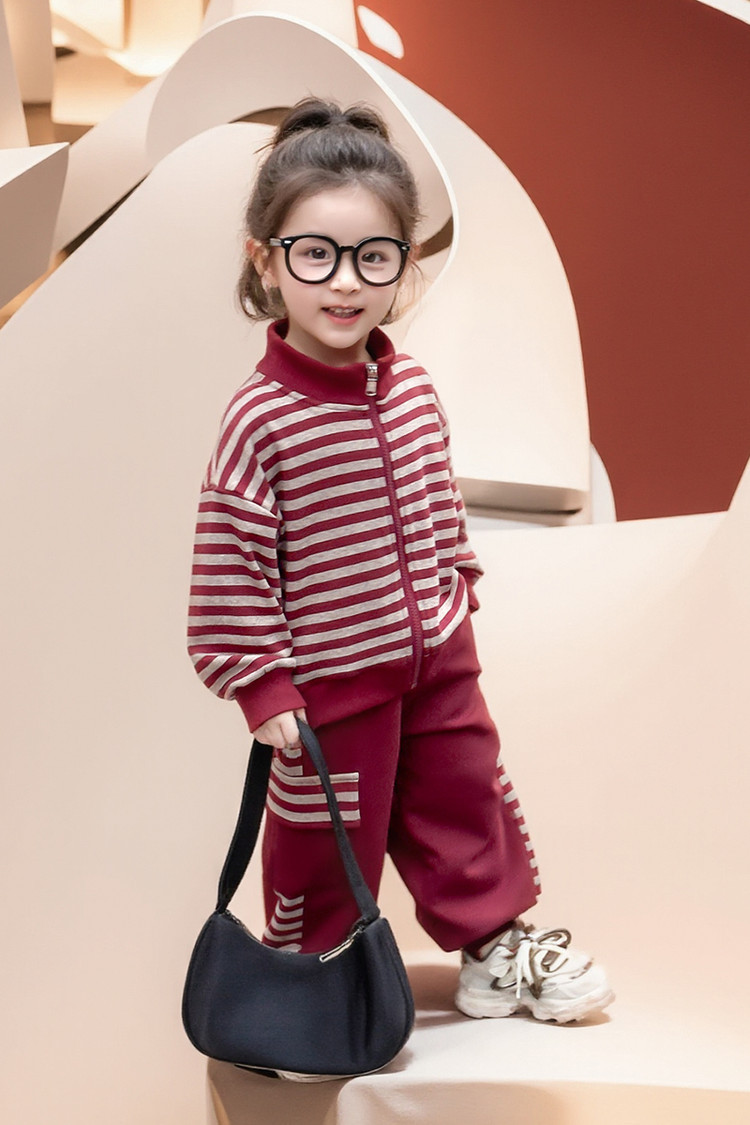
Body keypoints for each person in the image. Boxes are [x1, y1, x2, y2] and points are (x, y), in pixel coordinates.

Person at [187, 98, 613, 1043]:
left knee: (466, 796)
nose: (346, 282)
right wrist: (261, 685)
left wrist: (455, 587)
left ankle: (495, 945)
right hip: (331, 688)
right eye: (316, 254)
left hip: (438, 660)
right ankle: (318, 977)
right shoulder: (259, 420)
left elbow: (436, 504)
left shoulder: (414, 388)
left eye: (373, 257)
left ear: (404, 265)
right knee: (323, 840)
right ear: (265, 260)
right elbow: (228, 565)